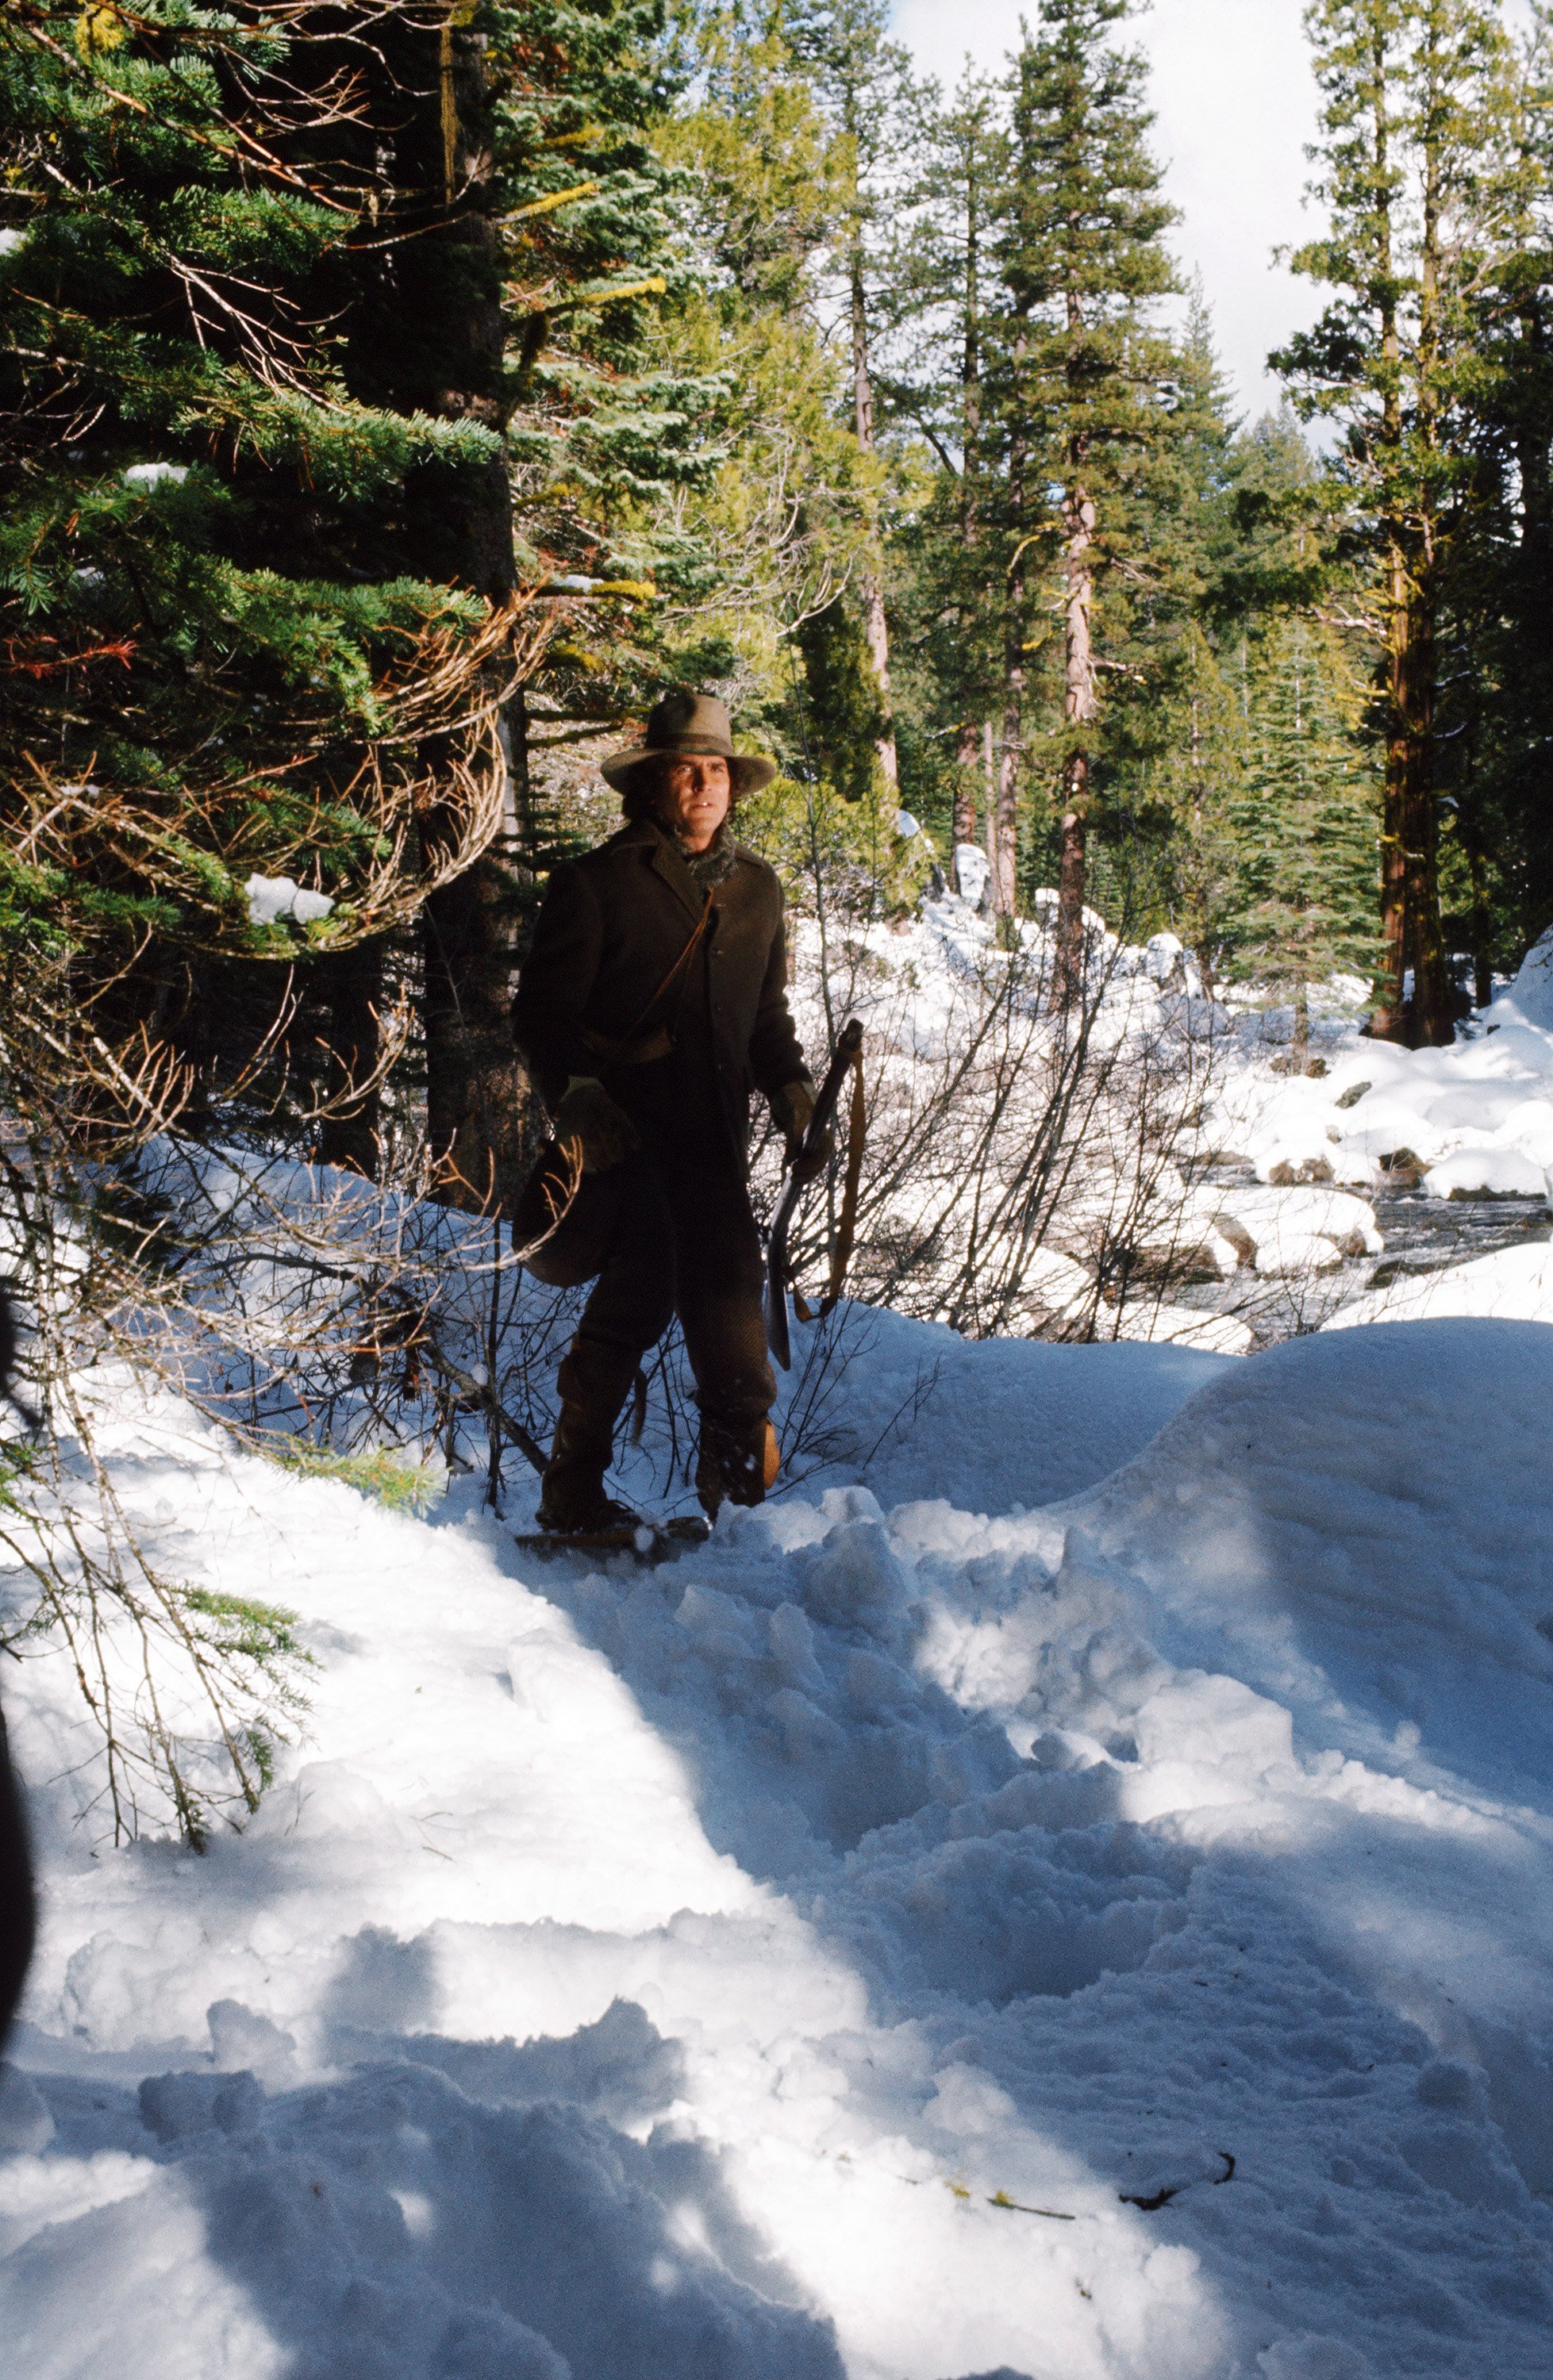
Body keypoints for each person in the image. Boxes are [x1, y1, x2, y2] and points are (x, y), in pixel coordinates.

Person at [511, 691, 825, 1538]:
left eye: (716, 768)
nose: (703, 783)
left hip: (715, 1149)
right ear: (652, 784)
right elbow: (541, 1016)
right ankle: (571, 1497)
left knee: (735, 1339)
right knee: (628, 1316)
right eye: (685, 768)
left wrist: (791, 1088)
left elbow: (765, 1020)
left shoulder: (757, 889)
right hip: (630, 1148)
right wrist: (575, 1094)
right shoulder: (596, 883)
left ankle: (738, 1517)